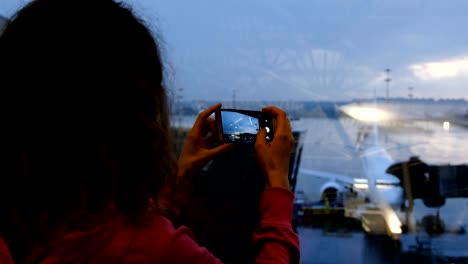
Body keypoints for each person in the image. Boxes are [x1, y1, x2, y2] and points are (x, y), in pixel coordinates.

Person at [0, 0, 300, 263]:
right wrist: (278, 183)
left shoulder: (35, 219)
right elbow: (138, 246)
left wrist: (180, 180)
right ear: (130, 117)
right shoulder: (152, 247)